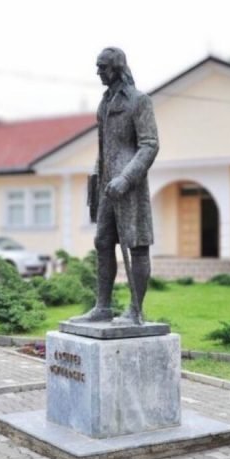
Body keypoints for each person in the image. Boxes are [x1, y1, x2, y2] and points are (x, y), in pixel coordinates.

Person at [73, 47, 159, 326]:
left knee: (137, 245)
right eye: (97, 66)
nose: (98, 72)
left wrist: (126, 178)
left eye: (103, 67)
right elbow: (104, 148)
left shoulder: (139, 101)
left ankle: (135, 309)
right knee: (102, 242)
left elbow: (149, 145)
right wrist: (96, 179)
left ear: (117, 68)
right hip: (107, 186)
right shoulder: (104, 103)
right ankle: (103, 307)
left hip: (130, 186)